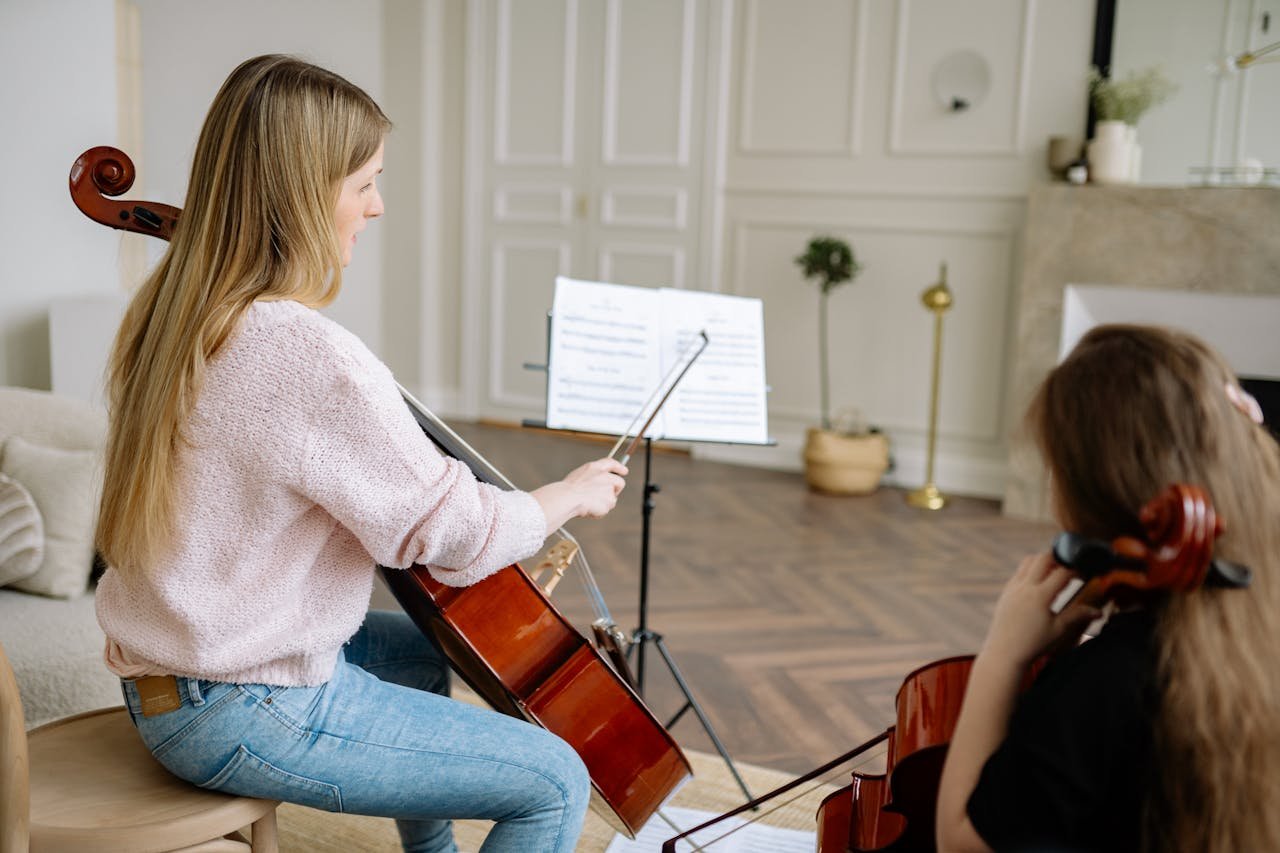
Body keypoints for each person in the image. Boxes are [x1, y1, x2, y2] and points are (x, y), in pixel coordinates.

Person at [94, 54, 628, 853]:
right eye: (365, 183)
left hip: (167, 680)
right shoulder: (302, 353)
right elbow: (457, 541)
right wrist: (566, 494)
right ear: (305, 197)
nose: (377, 207)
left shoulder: (174, 311)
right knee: (554, 780)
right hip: (242, 707)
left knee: (425, 655)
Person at [935, 324, 1280, 853]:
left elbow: (962, 843)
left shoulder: (1104, 683)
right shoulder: (1262, 623)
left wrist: (1002, 655)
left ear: (1086, 495)